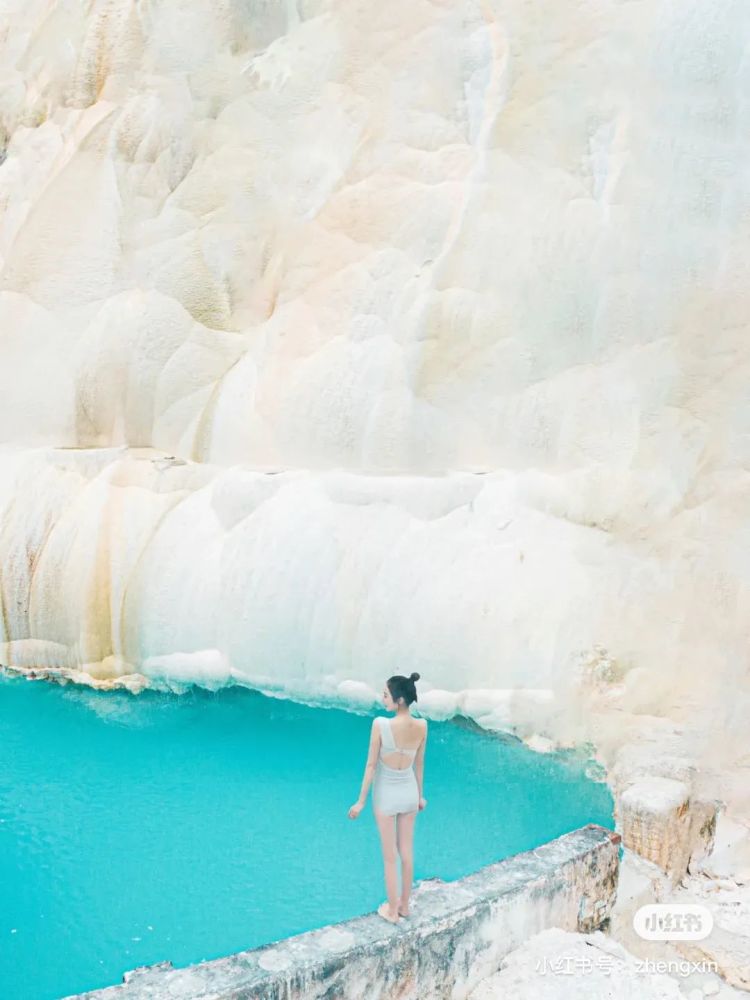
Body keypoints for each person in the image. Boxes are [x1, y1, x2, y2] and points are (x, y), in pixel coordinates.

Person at [348, 673, 428, 924]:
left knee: (389, 856)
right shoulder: (423, 726)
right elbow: (419, 764)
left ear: (400, 699)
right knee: (407, 851)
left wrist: (360, 801)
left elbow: (371, 766)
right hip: (409, 793)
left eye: (385, 694)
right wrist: (420, 796)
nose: (382, 698)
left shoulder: (380, 724)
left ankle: (392, 910)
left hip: (386, 795)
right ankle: (405, 906)